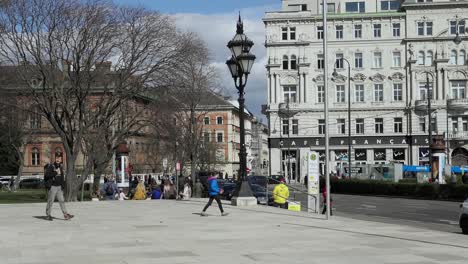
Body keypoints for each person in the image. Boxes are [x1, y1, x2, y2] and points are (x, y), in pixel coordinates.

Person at [44, 157, 74, 221]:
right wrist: (55, 173)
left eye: (59, 159)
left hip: (59, 187)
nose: (58, 160)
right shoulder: (51, 166)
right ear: (55, 159)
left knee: (62, 201)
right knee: (50, 201)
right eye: (57, 159)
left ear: (61, 160)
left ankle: (66, 215)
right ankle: (48, 215)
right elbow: (47, 175)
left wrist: (62, 185)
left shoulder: (60, 167)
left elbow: (62, 177)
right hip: (52, 187)